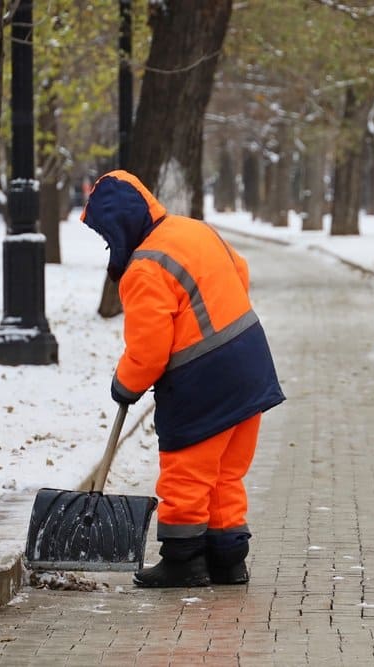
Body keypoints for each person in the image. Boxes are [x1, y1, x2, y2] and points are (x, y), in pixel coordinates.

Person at [81, 170, 285, 588]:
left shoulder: (144, 267)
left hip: (203, 381)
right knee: (227, 473)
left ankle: (184, 560)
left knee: (186, 474)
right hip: (250, 362)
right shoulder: (194, 230)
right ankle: (228, 560)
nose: (108, 244)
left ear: (119, 226)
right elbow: (239, 271)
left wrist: (126, 383)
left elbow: (150, 349)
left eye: (106, 234)